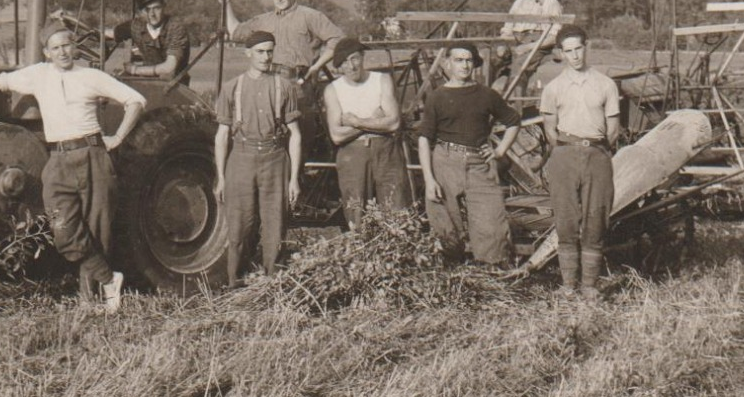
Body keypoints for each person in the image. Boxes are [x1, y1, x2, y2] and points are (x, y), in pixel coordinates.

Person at [0, 26, 145, 310]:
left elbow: (136, 101)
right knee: (62, 230)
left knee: (97, 230)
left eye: (67, 45)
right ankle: (109, 280)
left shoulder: (91, 76)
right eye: (55, 48)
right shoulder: (39, 75)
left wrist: (117, 137)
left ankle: (89, 301)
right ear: (47, 53)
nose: (63, 52)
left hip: (91, 155)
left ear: (75, 47)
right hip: (56, 161)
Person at [417, 43, 522, 266]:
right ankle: (451, 273)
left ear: (474, 64)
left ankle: (491, 271)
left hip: (478, 163)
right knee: (445, 224)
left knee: (491, 223)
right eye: (458, 60)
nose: (464, 65)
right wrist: (429, 179)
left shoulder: (487, 95)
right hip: (445, 161)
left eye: (468, 60)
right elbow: (424, 138)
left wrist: (499, 150)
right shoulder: (437, 97)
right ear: (447, 64)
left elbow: (513, 121)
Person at [214, 30, 302, 286]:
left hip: (275, 159)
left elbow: (295, 135)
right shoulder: (232, 88)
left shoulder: (283, 86)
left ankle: (272, 282)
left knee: (275, 222)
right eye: (261, 52)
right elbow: (221, 135)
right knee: (240, 223)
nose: (266, 57)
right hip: (241, 159)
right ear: (248, 53)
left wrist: (294, 179)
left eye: (270, 51)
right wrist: (220, 176)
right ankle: (235, 281)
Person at [539, 26, 621, 294]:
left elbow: (613, 129)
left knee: (596, 218)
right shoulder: (553, 88)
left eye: (578, 48)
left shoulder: (605, 84)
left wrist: (595, 149)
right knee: (566, 220)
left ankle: (589, 286)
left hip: (597, 154)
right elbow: (549, 129)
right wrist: (566, 149)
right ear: (560, 53)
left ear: (587, 47)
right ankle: (568, 286)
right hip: (564, 154)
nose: (575, 55)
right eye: (568, 50)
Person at [323, 36, 410, 227]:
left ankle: (397, 252)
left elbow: (394, 123)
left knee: (396, 208)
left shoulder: (381, 80)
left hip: (385, 151)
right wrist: (374, 120)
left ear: (363, 57)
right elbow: (337, 136)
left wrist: (355, 121)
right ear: (339, 66)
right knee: (356, 210)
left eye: (354, 58)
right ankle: (361, 252)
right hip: (352, 154)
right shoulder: (333, 90)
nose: (351, 66)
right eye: (344, 62)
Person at [217, 0, 342, 86]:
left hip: (300, 83)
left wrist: (316, 67)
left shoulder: (310, 16)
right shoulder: (263, 21)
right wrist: (226, 4)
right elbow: (235, 32)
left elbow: (338, 40)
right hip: (269, 82)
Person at [102, 0, 192, 84]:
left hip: (175, 86)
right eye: (147, 10)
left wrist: (135, 70)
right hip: (148, 84)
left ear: (164, 6)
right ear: (140, 12)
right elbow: (109, 33)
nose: (152, 14)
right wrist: (91, 35)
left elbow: (169, 68)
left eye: (156, 8)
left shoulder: (175, 28)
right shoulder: (137, 26)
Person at [495, 0, 565, 93]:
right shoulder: (519, 2)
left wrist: (527, 47)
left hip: (539, 47)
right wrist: (502, 45)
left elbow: (553, 38)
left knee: (519, 66)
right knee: (490, 60)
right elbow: (508, 28)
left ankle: (515, 108)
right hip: (516, 43)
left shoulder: (551, 3)